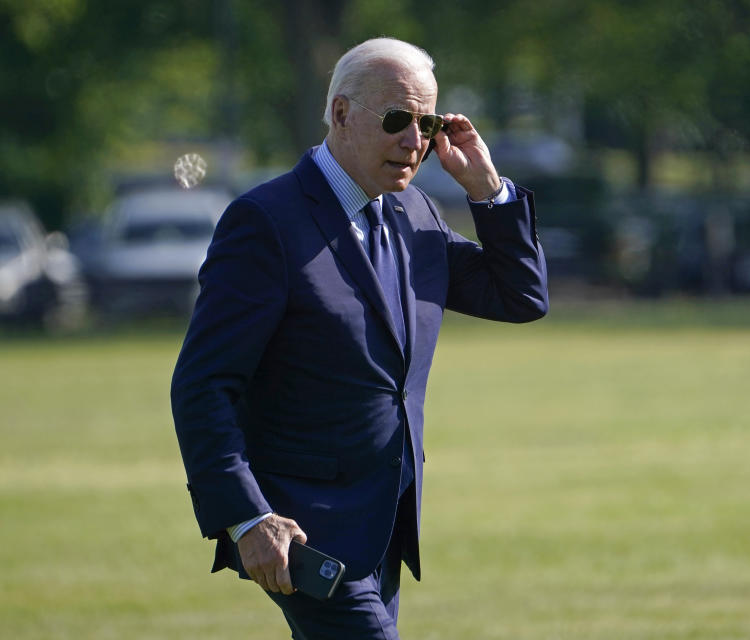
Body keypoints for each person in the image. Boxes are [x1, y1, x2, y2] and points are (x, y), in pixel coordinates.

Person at [170, 37, 548, 639]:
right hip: (302, 531)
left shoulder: (414, 213)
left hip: (385, 526)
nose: (415, 141)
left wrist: (487, 191)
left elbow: (520, 297)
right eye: (398, 120)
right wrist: (247, 519)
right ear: (341, 113)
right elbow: (202, 385)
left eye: (427, 123)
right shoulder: (266, 222)